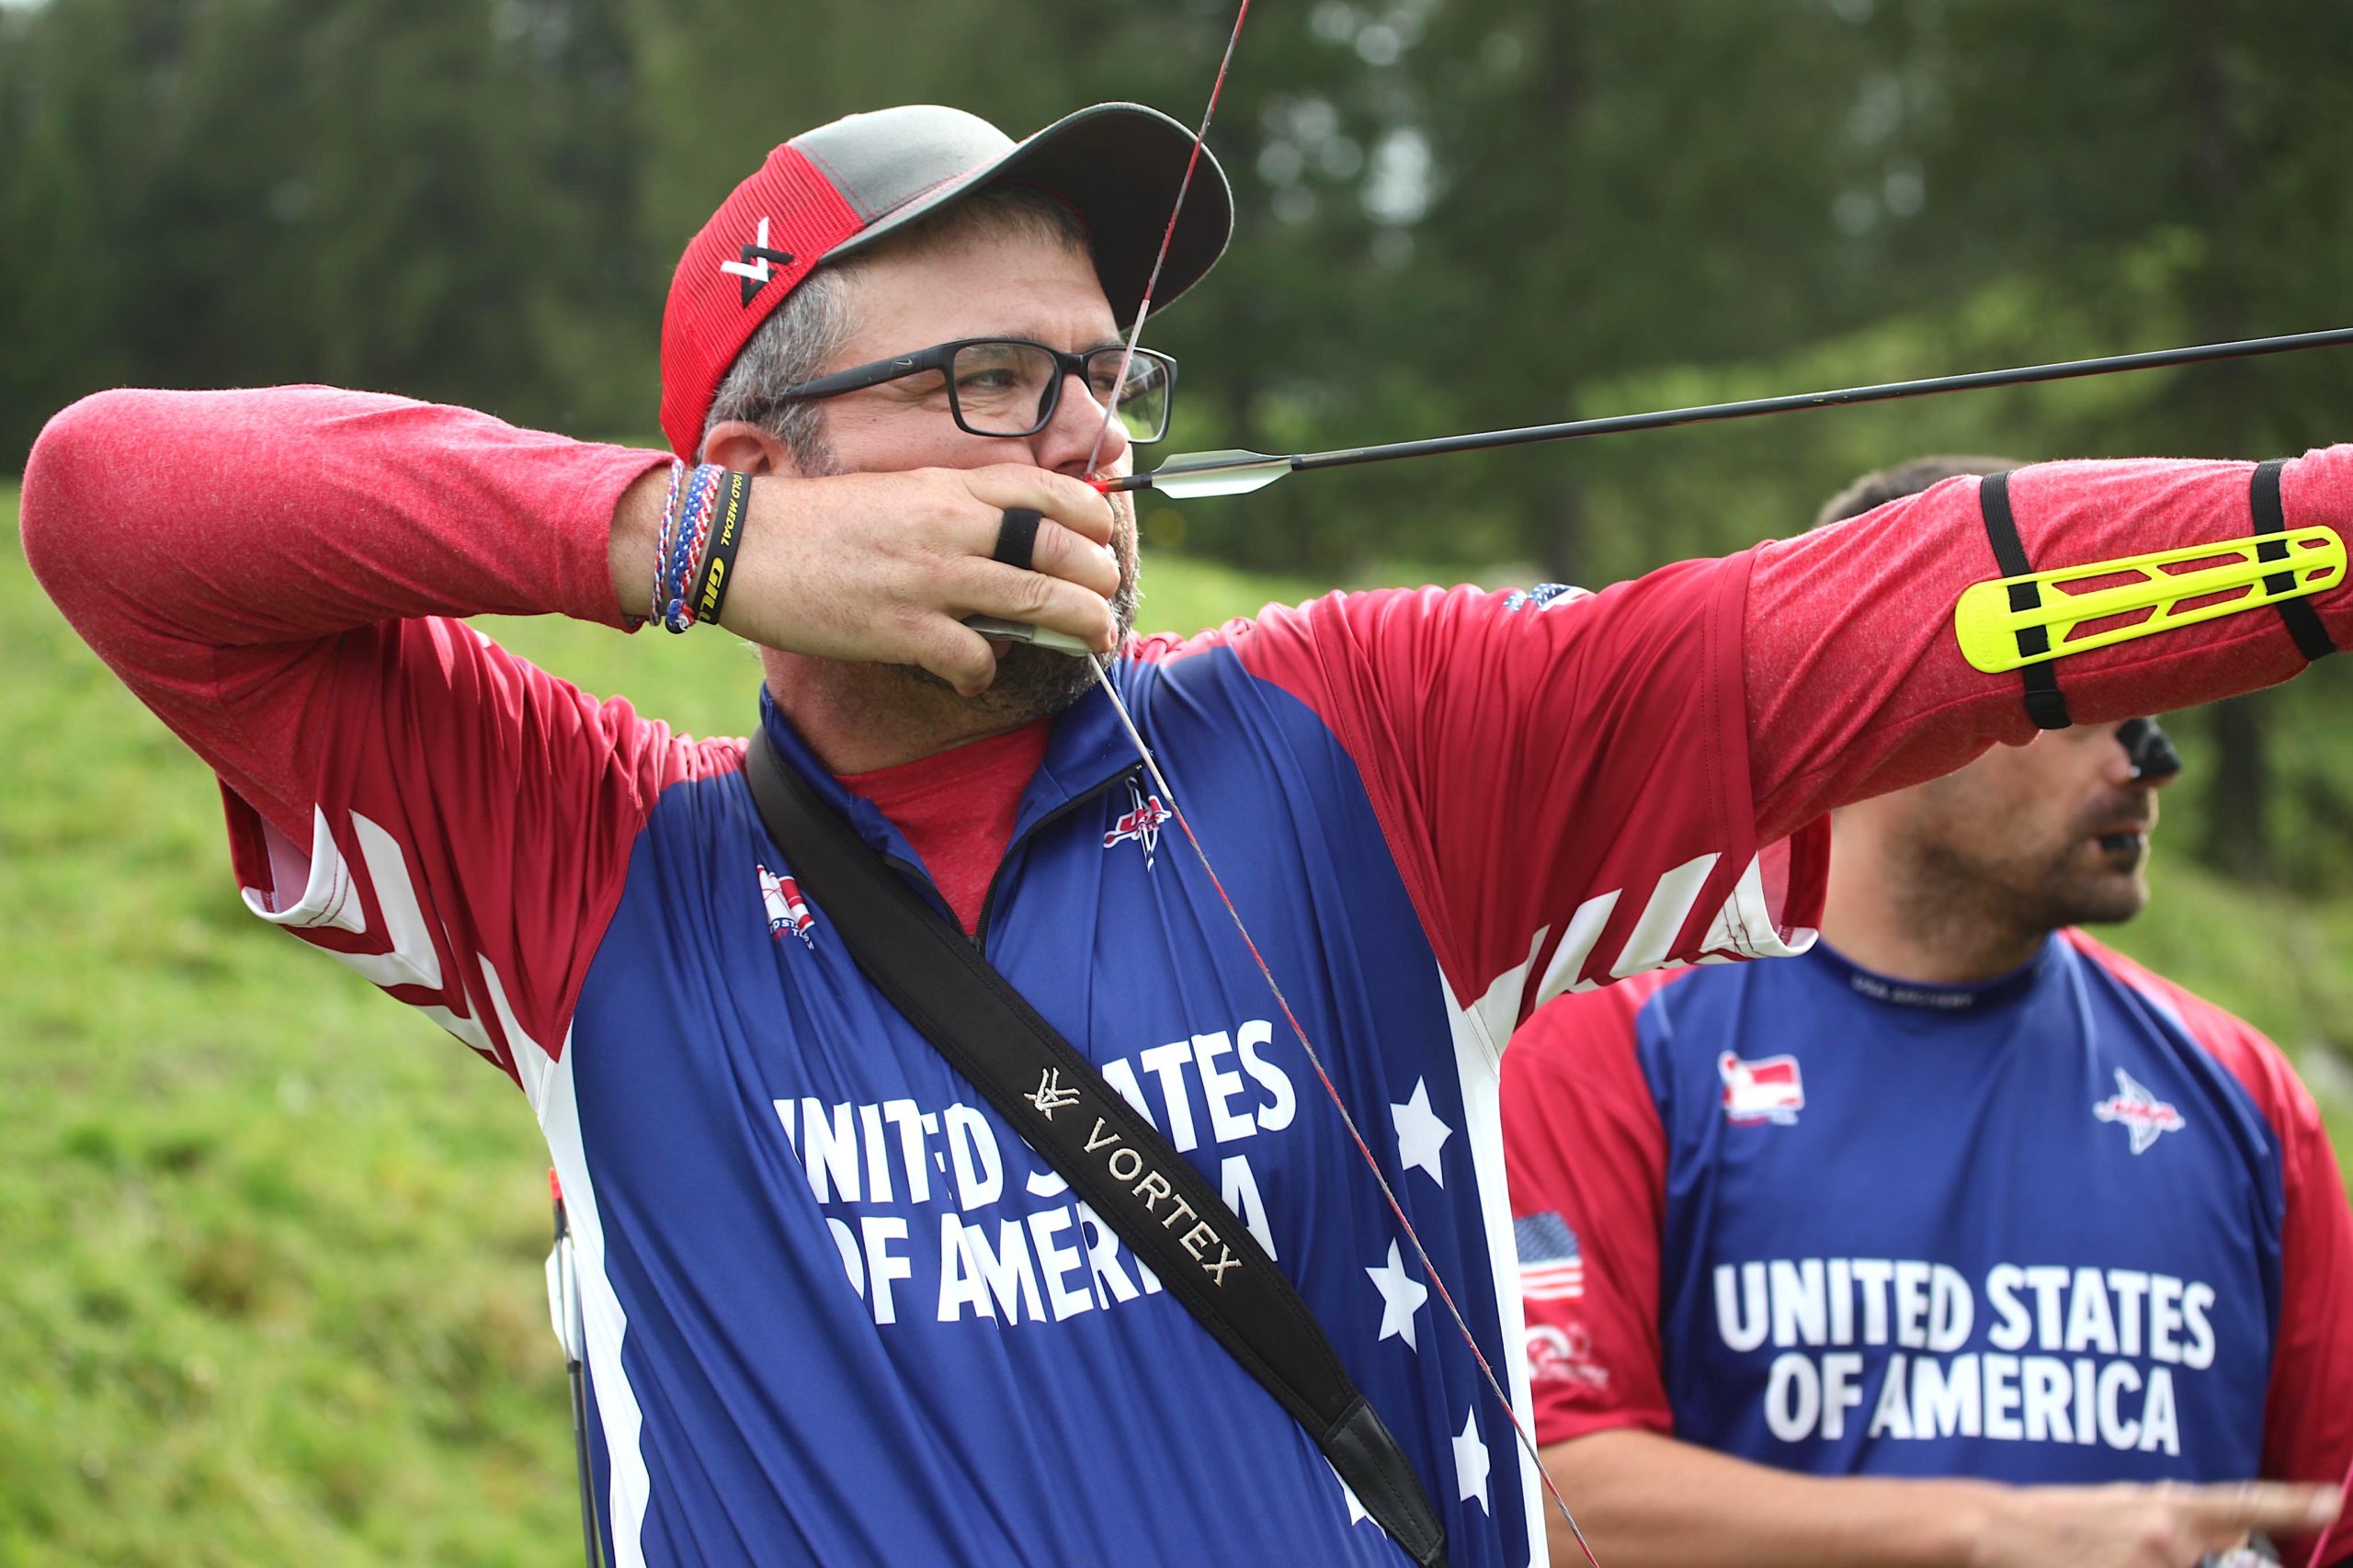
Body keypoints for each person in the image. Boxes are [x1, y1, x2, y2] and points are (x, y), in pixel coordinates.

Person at [20, 95, 2353, 1563]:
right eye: (989, 385)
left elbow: (1866, 618)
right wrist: (675, 555)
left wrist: (2320, 532)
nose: (1086, 444)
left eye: (1104, 382)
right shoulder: (587, 860)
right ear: (757, 461)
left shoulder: (1351, 747)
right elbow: (113, 497)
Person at [1501, 456, 2353, 1568]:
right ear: (1902, 709)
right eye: (2086, 696)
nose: (2154, 760)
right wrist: (1994, 1530)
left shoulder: (2238, 1087)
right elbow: (1545, 1496)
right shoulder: (1621, 1042)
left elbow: (2319, 1513)